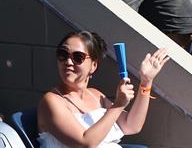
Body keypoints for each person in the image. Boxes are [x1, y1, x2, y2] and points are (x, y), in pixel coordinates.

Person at [38, 31, 168, 148]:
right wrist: (118, 105)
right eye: (63, 54)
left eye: (78, 57)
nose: (68, 62)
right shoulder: (52, 100)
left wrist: (146, 82)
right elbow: (85, 143)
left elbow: (131, 125)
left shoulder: (95, 95)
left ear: (93, 66)